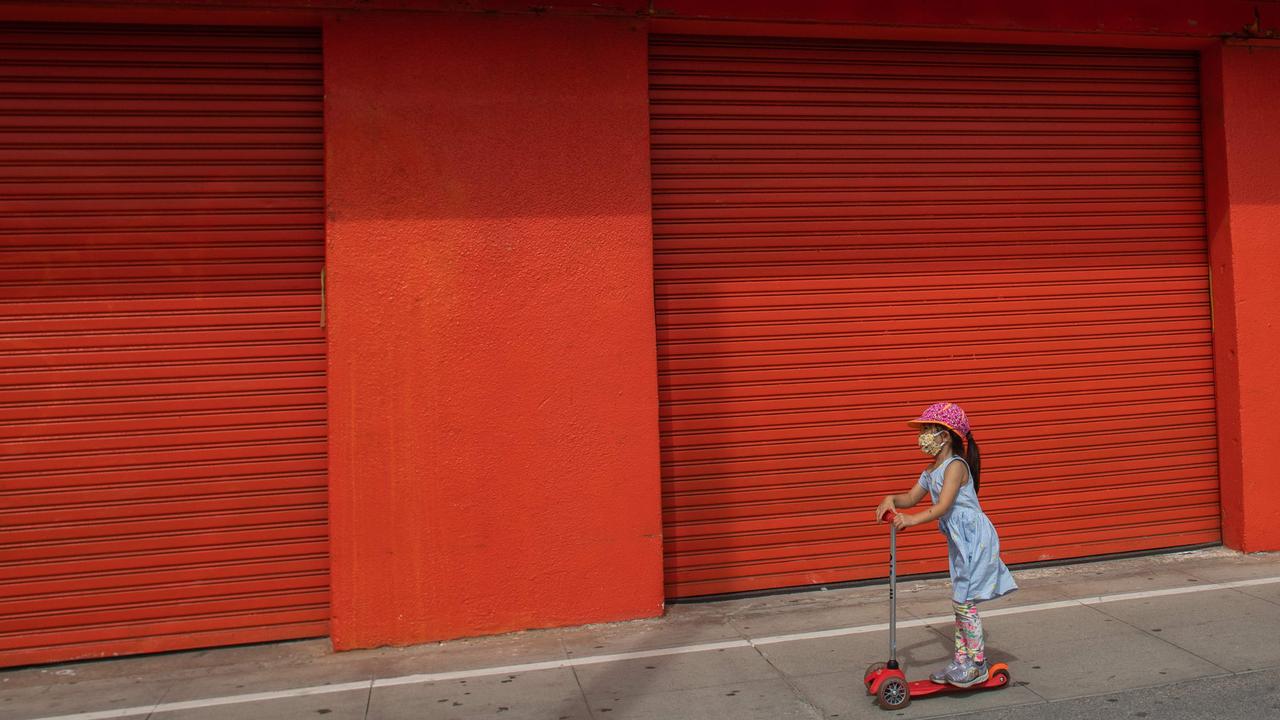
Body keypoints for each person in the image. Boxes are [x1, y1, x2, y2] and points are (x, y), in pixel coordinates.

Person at [874, 401, 1017, 687]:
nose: (924, 435)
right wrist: (891, 499)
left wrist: (912, 520)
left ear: (947, 435)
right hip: (959, 540)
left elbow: (942, 506)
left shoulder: (955, 466)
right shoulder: (931, 470)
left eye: (930, 429)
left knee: (964, 602)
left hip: (975, 538)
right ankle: (962, 661)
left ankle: (976, 664)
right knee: (960, 601)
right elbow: (911, 498)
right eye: (924, 429)